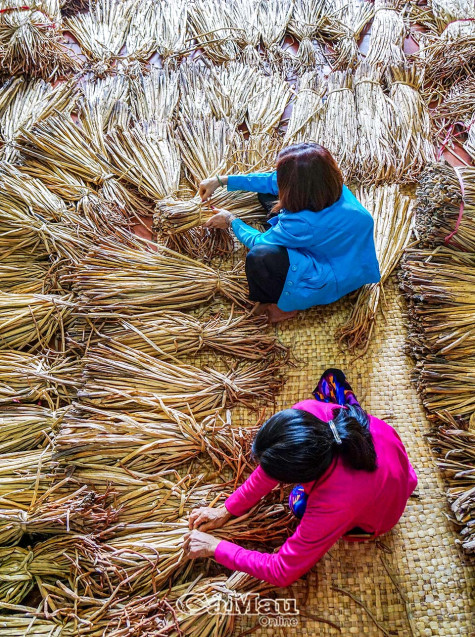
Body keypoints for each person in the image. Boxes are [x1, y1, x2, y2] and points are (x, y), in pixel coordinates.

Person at [184, 369, 417, 587]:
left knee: (297, 505)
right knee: (331, 378)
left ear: (302, 475)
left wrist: (216, 547)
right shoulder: (307, 413)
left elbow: (282, 571)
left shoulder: (333, 503)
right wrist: (227, 509)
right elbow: (273, 465)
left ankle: (362, 524)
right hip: (384, 453)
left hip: (383, 510)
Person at [199, 143, 380, 323]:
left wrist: (231, 220)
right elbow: (272, 182)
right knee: (265, 194)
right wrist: (222, 180)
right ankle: (284, 238)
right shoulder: (328, 186)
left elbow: (257, 241)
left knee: (260, 256)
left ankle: (281, 309)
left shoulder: (301, 224)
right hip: (336, 248)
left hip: (331, 275)